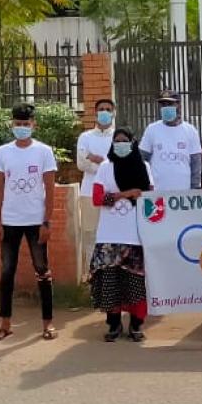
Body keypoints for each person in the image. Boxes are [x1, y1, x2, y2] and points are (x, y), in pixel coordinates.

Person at [0, 103, 59, 342]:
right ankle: (5, 323)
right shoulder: (3, 152)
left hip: (35, 220)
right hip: (10, 221)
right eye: (18, 124)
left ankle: (48, 324)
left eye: (26, 124)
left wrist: (46, 222)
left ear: (34, 125)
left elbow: (50, 189)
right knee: (7, 271)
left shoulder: (44, 151)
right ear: (12, 124)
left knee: (42, 269)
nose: (22, 128)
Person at [91, 128, 153, 342]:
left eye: (124, 140)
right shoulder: (105, 168)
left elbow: (150, 197)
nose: (120, 144)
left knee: (135, 283)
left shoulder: (143, 167)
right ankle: (114, 325)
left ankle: (136, 325)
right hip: (109, 236)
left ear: (132, 143)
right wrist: (126, 194)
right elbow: (97, 199)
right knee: (111, 282)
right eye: (116, 141)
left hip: (134, 235)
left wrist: (125, 195)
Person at [76, 99, 117, 275]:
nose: (105, 112)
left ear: (114, 112)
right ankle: (92, 275)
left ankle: (112, 274)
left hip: (113, 193)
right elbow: (82, 164)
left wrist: (97, 160)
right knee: (90, 233)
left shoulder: (119, 137)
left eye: (108, 109)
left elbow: (121, 166)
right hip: (88, 192)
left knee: (113, 234)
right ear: (95, 112)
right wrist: (107, 164)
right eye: (101, 109)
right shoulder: (85, 137)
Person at [139, 91, 202, 193]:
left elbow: (196, 165)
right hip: (157, 194)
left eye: (170, 104)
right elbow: (142, 161)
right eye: (163, 105)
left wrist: (194, 191)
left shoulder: (190, 131)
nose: (166, 107)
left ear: (179, 105)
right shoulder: (152, 129)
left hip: (183, 194)